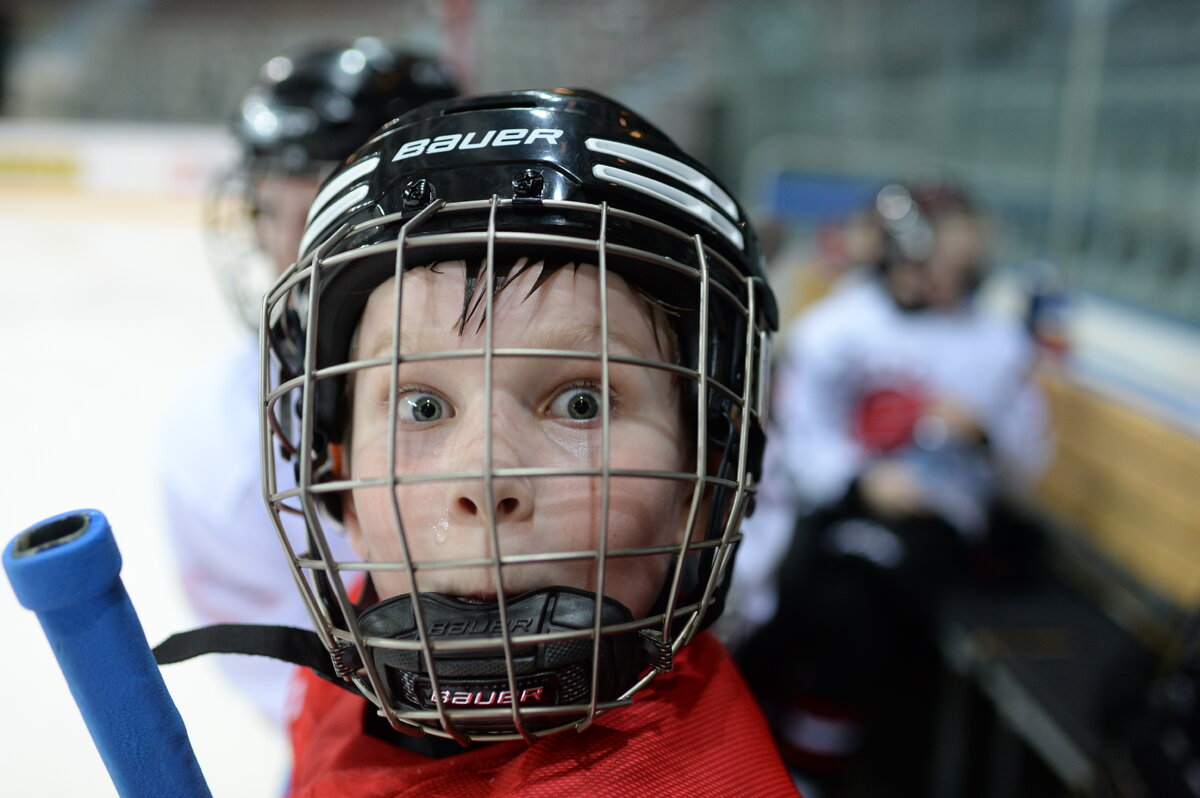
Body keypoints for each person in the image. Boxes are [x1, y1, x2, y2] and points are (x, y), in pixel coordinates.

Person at [252, 87, 800, 795]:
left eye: (581, 403)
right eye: (422, 406)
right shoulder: (353, 666)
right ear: (336, 467)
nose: (482, 478)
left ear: (709, 474)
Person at [158, 40, 457, 726]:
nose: (290, 255)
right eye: (270, 213)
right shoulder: (216, 440)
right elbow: (297, 687)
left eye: (328, 216)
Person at [734, 181, 1050, 790]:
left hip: (937, 524)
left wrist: (981, 434)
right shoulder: (839, 327)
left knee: (853, 595)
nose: (937, 277)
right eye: (927, 260)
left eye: (953, 263)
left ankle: (809, 767)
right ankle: (770, 739)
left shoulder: (995, 342)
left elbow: (1027, 467)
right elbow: (798, 441)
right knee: (791, 586)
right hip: (840, 507)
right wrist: (863, 481)